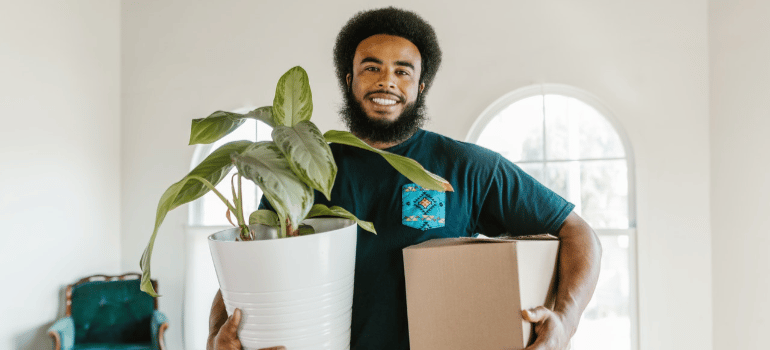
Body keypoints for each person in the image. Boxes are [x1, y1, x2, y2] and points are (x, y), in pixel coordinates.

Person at [208, 7, 601, 350]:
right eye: (371, 67)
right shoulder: (301, 169)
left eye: (402, 71)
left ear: (420, 86)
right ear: (349, 80)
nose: (386, 81)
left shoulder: (468, 167)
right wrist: (216, 337)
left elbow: (577, 232)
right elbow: (249, 262)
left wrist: (565, 323)